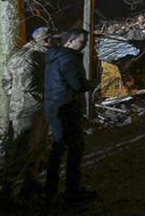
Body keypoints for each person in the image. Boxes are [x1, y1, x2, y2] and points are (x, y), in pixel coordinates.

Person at [0, 27, 56, 210]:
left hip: (36, 108)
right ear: (45, 40)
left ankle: (29, 182)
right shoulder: (29, 58)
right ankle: (7, 195)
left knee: (38, 146)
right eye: (52, 40)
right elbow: (28, 86)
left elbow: (6, 82)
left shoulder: (37, 54)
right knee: (21, 150)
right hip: (27, 112)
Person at [44, 28, 95, 204]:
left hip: (53, 105)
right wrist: (90, 84)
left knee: (58, 147)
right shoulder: (69, 59)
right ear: (70, 41)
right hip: (66, 107)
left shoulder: (54, 56)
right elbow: (77, 84)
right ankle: (71, 192)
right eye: (82, 41)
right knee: (75, 148)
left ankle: (51, 190)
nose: (85, 44)